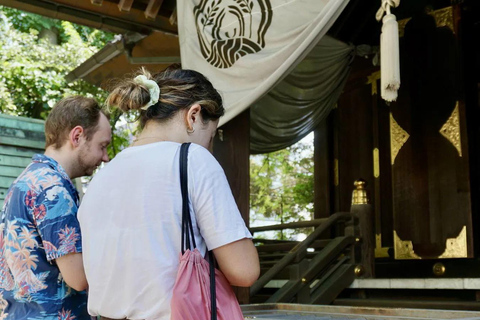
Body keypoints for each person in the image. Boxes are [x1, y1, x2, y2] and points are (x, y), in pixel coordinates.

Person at [78, 65, 260, 320]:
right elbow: (244, 271)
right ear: (193, 116)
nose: (209, 146)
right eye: (211, 136)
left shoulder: (102, 177)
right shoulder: (193, 159)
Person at [0, 96, 112, 319]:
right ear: (77, 136)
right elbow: (78, 278)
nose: (106, 157)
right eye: (102, 146)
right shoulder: (53, 190)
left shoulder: (24, 181)